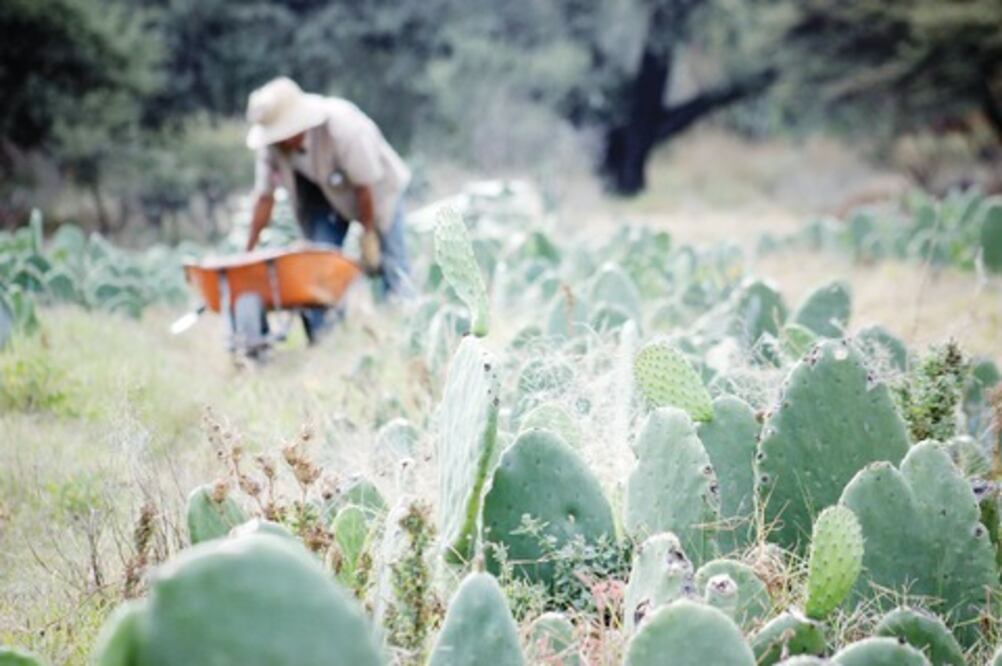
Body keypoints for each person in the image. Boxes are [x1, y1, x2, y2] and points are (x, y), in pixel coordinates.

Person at [244, 76, 413, 338]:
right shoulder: (272, 146)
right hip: (323, 198)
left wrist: (368, 235)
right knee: (318, 264)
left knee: (392, 261)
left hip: (378, 191)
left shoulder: (344, 128)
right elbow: (264, 197)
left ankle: (404, 326)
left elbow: (364, 186)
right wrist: (249, 251)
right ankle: (326, 337)